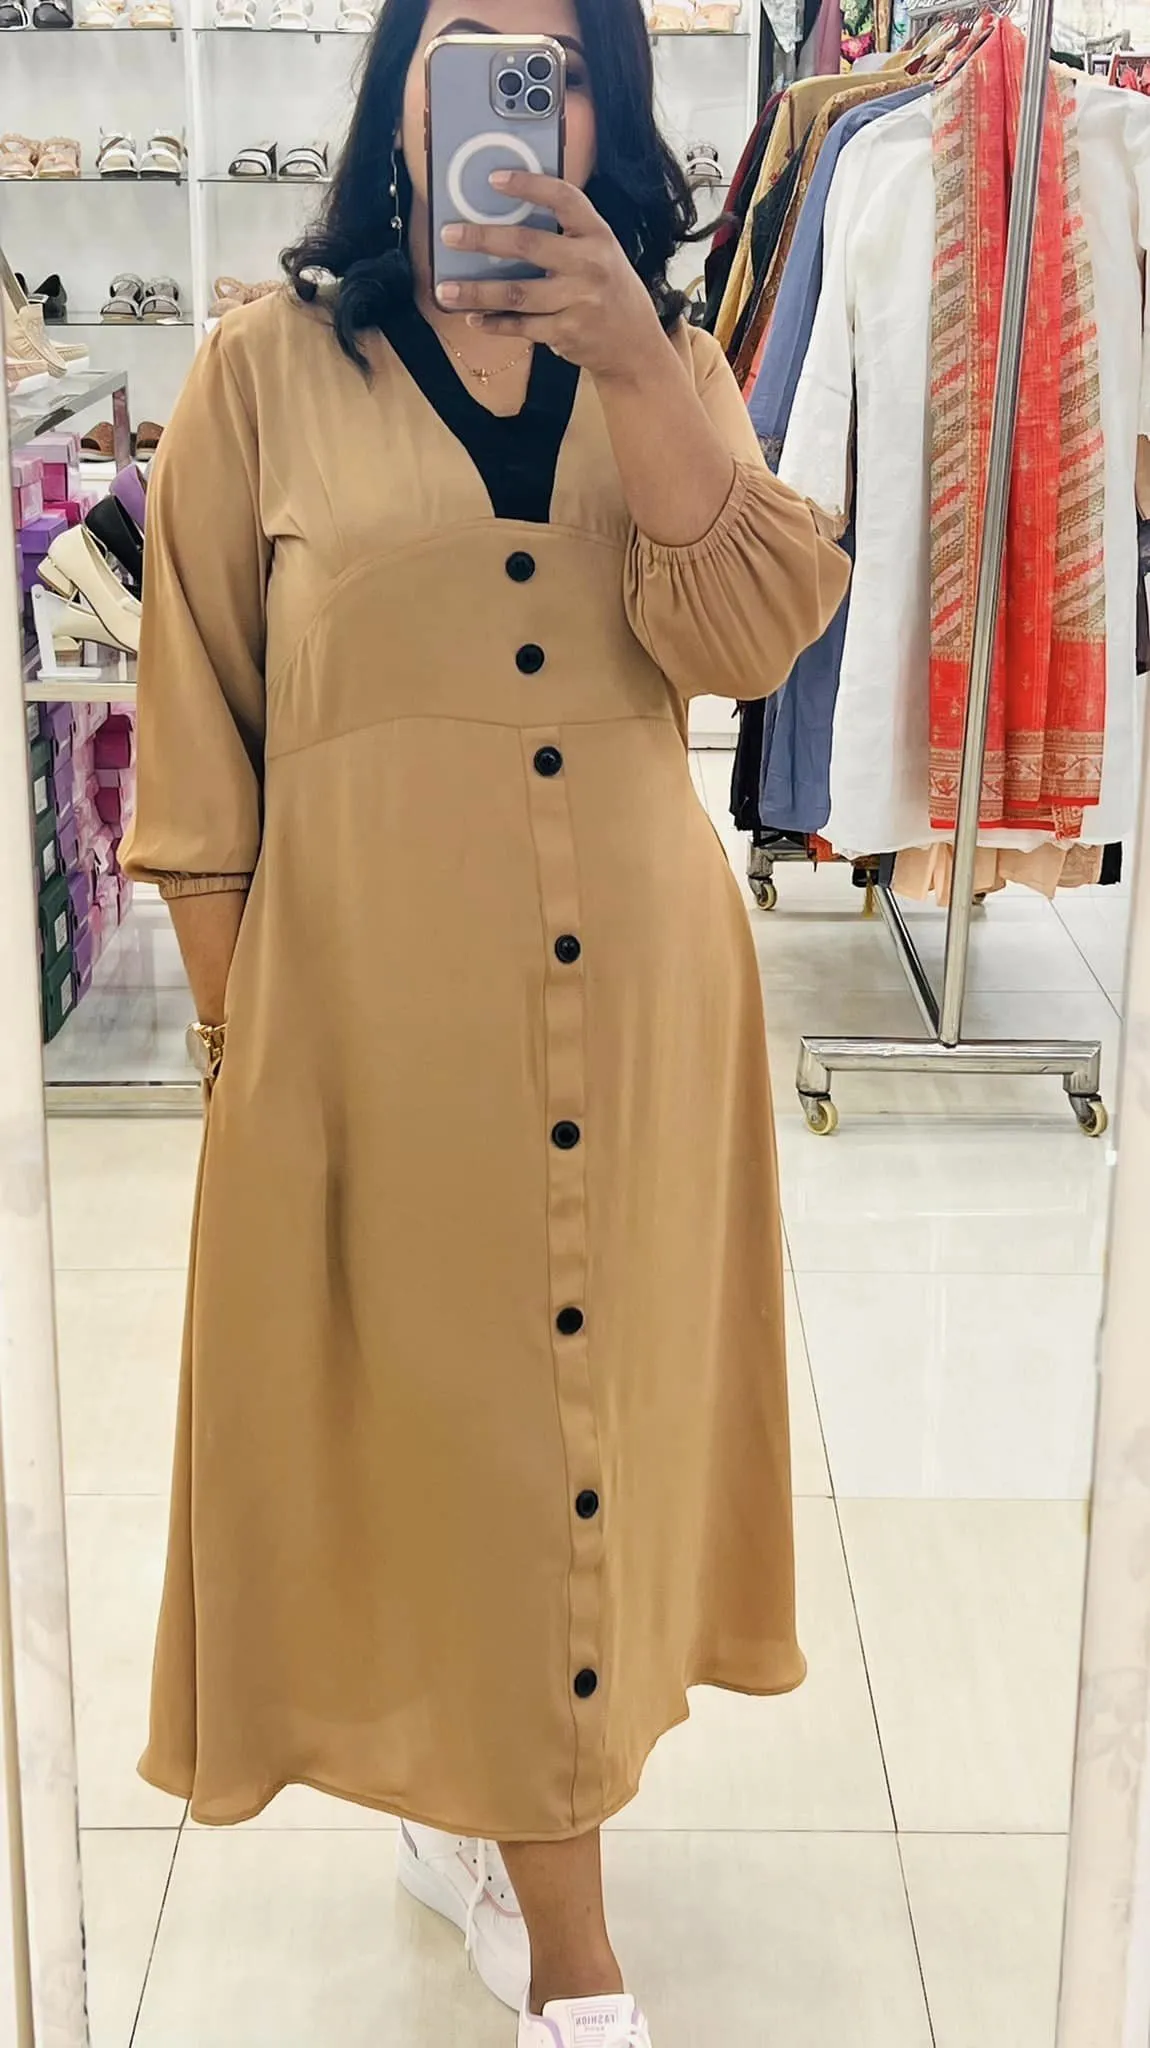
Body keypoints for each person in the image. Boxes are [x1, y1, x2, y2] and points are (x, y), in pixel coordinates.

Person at [120, 1, 848, 2041]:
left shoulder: (667, 359)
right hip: (373, 1015)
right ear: (401, 92)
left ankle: (534, 1886)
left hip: (638, 1011)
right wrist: (247, 1052)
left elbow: (753, 632)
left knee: (573, 1431)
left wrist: (636, 361)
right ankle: (545, 1922)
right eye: (471, 47)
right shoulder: (261, 375)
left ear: (613, 105)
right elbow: (198, 742)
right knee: (448, 1433)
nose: (525, 96)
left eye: (563, 60)